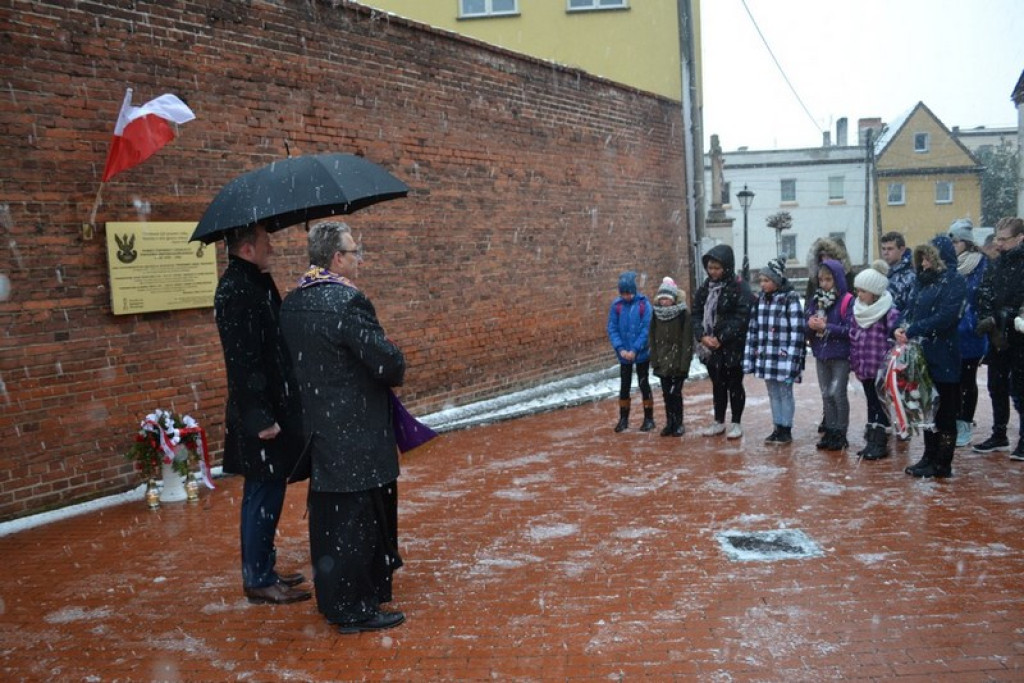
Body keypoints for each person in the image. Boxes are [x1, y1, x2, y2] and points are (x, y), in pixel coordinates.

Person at [280, 221, 407, 633]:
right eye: (355, 252)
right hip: (357, 429)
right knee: (360, 520)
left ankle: (335, 599)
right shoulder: (347, 303)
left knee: (331, 521)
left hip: (320, 429)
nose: (360, 258)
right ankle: (356, 609)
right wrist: (392, 352)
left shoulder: (293, 302)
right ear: (336, 258)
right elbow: (388, 365)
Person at [214, 223, 311, 605]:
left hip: (272, 406)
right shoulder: (236, 291)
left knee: (269, 491)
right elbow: (242, 361)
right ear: (248, 249)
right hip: (259, 415)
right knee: (261, 493)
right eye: (265, 241)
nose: (271, 245)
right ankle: (257, 578)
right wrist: (260, 417)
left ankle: (265, 567)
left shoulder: (253, 281)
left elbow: (274, 337)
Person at [896, 236, 967, 478]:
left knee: (945, 411)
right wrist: (899, 326)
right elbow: (908, 310)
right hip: (922, 356)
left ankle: (942, 462)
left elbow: (947, 317)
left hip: (944, 355)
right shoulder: (922, 281)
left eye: (928, 258)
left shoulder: (955, 281)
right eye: (922, 258)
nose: (924, 263)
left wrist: (914, 329)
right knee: (927, 408)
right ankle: (928, 456)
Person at [975, 216, 1024, 459]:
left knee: (1020, 387)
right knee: (996, 385)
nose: (998, 243)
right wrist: (989, 320)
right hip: (997, 336)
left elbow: (1019, 300)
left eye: (1004, 239)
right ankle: (999, 432)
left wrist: (1005, 317)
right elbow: (984, 292)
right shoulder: (996, 263)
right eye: (997, 238)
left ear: (1019, 238)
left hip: (1019, 335)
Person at [743, 258, 806, 444]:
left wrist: (793, 358)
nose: (762, 284)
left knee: (785, 392)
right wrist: (752, 353)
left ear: (776, 281)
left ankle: (786, 427)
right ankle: (777, 426)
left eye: (766, 280)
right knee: (772, 392)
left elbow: (797, 330)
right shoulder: (761, 300)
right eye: (761, 281)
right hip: (767, 356)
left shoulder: (790, 299)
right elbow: (754, 328)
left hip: (784, 357)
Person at [693, 245, 750, 439]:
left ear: (726, 267)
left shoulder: (738, 287)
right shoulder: (704, 289)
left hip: (732, 346)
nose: (713, 272)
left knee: (734, 384)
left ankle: (736, 421)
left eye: (717, 268)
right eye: (710, 267)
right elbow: (696, 314)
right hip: (710, 348)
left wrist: (721, 338)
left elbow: (741, 317)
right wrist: (702, 336)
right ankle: (718, 420)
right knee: (718, 384)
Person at [849, 260, 901, 460]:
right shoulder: (858, 310)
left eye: (863, 291)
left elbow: (895, 336)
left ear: (875, 292)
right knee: (871, 403)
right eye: (858, 290)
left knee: (880, 405)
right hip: (864, 367)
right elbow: (853, 336)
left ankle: (880, 441)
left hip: (881, 368)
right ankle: (872, 439)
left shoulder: (887, 312)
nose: (859, 295)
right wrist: (854, 362)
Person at [805, 258, 854, 451]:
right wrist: (809, 326)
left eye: (828, 280)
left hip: (840, 355)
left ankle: (841, 432)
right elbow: (805, 324)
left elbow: (850, 329)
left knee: (837, 393)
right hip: (821, 353)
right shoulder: (816, 300)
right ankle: (831, 430)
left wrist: (828, 328)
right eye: (821, 280)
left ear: (837, 279)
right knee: (826, 394)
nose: (824, 284)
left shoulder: (847, 300)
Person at [948, 219, 989, 447]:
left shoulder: (980, 264)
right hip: (951, 332)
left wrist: (972, 319)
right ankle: (953, 418)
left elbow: (981, 296)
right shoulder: (950, 266)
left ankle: (965, 421)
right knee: (951, 380)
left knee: (967, 379)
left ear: (966, 242)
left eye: (955, 240)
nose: (952, 245)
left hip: (970, 332)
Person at [607, 271, 654, 432]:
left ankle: (649, 418)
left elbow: (645, 330)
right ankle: (623, 418)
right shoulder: (617, 306)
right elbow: (612, 328)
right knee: (624, 385)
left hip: (641, 353)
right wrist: (620, 348)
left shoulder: (643, 305)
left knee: (644, 383)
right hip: (624, 354)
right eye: (623, 293)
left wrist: (635, 349)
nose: (626, 296)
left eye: (629, 293)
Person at [649, 276, 693, 437]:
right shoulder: (655, 314)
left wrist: (684, 365)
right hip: (662, 362)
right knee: (666, 394)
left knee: (676, 393)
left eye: (667, 299)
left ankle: (678, 423)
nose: (664, 302)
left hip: (677, 361)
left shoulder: (683, 314)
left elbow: (687, 340)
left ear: (673, 299)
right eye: (662, 299)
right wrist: (655, 360)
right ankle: (670, 422)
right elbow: (652, 338)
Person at [880, 231, 916, 318]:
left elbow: (910, 308)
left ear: (902, 250)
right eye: (883, 249)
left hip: (897, 325)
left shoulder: (910, 276)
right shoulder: (879, 273)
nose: (885, 253)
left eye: (890, 249)